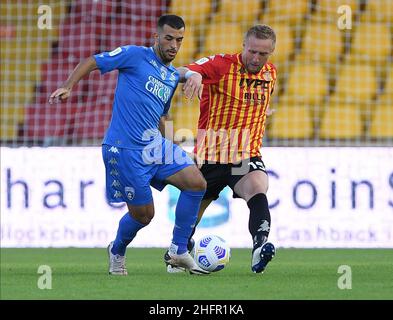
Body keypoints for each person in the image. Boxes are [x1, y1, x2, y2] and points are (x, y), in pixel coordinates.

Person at [49, 15, 209, 275]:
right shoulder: (134, 55)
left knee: (197, 183)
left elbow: (161, 116)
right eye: (168, 38)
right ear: (156, 37)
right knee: (144, 216)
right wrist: (68, 86)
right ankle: (117, 249)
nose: (174, 45)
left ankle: (179, 250)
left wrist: (172, 148)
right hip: (124, 151)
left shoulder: (169, 76)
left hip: (155, 146)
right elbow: (93, 61)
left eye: (179, 40)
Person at [168, 24, 277, 274]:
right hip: (210, 156)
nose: (256, 58)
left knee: (257, 187)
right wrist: (193, 74)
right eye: (252, 51)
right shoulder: (221, 65)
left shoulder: (271, 73)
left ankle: (260, 246)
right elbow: (180, 71)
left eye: (263, 54)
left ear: (271, 52)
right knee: (193, 213)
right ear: (243, 45)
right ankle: (177, 252)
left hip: (246, 153)